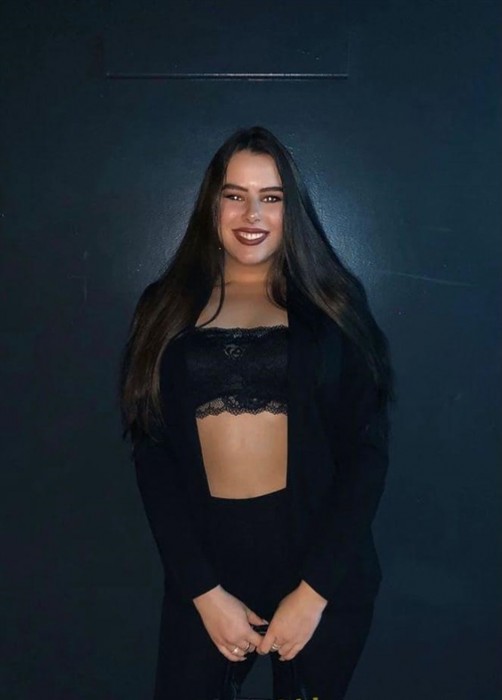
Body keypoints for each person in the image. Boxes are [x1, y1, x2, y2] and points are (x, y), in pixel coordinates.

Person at [119, 125, 396, 700]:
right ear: (212, 204)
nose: (252, 214)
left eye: (271, 197)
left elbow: (366, 456)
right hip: (208, 568)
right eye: (235, 195)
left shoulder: (332, 304)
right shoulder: (165, 306)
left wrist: (313, 594)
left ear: (290, 209)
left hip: (318, 567)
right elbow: (152, 456)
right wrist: (203, 593)